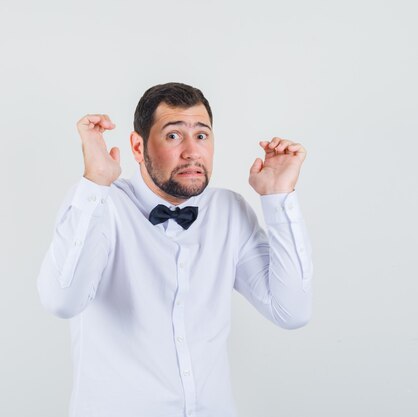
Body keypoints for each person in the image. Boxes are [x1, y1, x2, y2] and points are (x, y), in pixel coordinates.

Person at [37, 82, 313, 417]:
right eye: (173, 136)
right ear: (138, 147)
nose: (192, 151)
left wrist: (278, 197)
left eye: (201, 135)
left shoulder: (229, 211)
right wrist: (95, 181)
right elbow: (62, 301)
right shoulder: (100, 206)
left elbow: (292, 311)